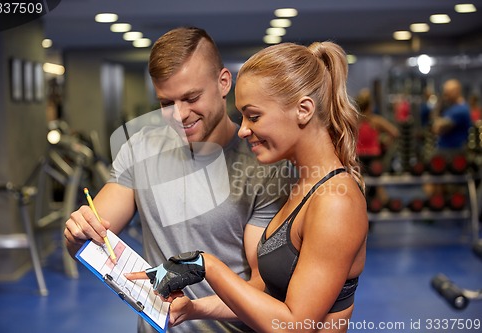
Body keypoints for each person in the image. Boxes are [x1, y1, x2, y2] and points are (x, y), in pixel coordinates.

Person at [64, 27, 295, 333]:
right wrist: (78, 232)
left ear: (224, 82)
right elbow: (93, 237)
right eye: (166, 103)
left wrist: (196, 309)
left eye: (191, 97)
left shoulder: (264, 166)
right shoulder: (140, 149)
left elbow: (262, 284)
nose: (180, 114)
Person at [127, 41, 368, 333]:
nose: (243, 129)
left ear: (303, 110)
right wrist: (194, 308)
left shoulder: (335, 201)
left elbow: (294, 325)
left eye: (254, 116)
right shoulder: (304, 186)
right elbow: (269, 298)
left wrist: (207, 266)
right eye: (242, 116)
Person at [432, 79, 472, 151]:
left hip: (454, 152)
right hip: (447, 150)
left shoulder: (461, 110)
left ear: (456, 91)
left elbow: (437, 128)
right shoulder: (452, 108)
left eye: (447, 93)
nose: (445, 96)